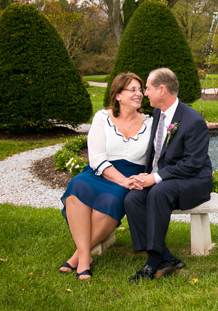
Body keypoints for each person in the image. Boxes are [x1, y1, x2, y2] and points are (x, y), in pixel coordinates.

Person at [60, 73, 152, 280]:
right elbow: (97, 157)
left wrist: (138, 178)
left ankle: (78, 256)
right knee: (77, 186)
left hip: (131, 176)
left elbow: (156, 157)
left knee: (111, 201)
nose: (139, 94)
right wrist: (121, 180)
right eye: (133, 90)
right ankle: (85, 258)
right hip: (101, 172)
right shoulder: (102, 117)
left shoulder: (151, 123)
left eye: (140, 90)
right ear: (118, 95)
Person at [124, 68, 213, 282]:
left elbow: (192, 164)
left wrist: (155, 178)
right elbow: (157, 153)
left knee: (158, 192)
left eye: (147, 88)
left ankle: (152, 263)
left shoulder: (193, 121)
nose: (145, 93)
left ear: (161, 90)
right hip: (167, 178)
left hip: (194, 181)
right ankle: (165, 256)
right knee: (133, 198)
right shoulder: (158, 114)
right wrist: (145, 176)